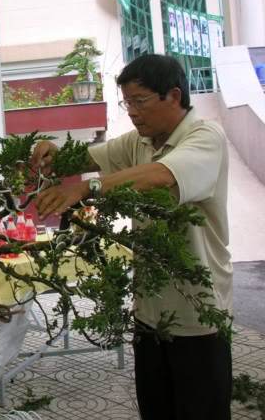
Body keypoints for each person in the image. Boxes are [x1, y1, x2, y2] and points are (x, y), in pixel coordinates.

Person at [32, 53, 232, 420]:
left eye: (139, 102)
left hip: (198, 313)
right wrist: (48, 152)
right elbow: (81, 158)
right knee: (156, 410)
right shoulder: (139, 142)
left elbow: (162, 175)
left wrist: (86, 189)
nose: (132, 112)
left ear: (173, 96)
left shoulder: (205, 137)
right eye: (127, 103)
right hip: (149, 311)